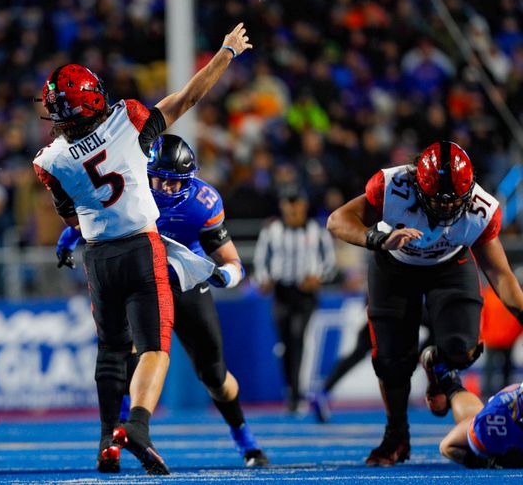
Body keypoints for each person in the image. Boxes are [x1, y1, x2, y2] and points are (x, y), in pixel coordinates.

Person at [33, 23, 252, 474]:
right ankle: (137, 427)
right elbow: (187, 98)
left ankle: (105, 444)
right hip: (141, 249)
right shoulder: (127, 119)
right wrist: (227, 52)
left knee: (112, 350)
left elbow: (71, 216)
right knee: (154, 347)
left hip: (98, 258)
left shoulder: (49, 160)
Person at [57, 134, 268, 467]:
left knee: (215, 376)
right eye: (161, 179)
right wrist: (70, 235)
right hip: (140, 285)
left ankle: (245, 439)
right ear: (146, 172)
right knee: (124, 353)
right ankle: (117, 433)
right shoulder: (129, 187)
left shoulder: (202, 202)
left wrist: (224, 275)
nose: (168, 189)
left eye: (176, 182)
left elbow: (234, 262)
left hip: (183, 285)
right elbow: (92, 214)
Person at [326, 140, 523, 466]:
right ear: (417, 184)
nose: (446, 209)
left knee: (463, 346)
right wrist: (377, 238)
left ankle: (440, 369)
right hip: (393, 262)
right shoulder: (393, 186)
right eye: (438, 200)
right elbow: (337, 220)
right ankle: (396, 436)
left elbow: (502, 277)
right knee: (390, 361)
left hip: (449, 264)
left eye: (453, 202)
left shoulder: (481, 210)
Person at [253, 185, 336, 413]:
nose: (292, 208)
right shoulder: (272, 231)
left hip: (305, 293)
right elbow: (262, 261)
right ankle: (291, 390)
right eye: (288, 203)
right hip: (281, 291)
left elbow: (329, 262)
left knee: (299, 337)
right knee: (285, 343)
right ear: (282, 206)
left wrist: (318, 277)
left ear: (304, 205)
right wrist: (264, 279)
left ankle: (298, 393)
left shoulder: (316, 231)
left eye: (296, 202)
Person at [439, 382, 523, 468]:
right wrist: (486, 462)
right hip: (492, 435)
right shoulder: (489, 422)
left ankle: (452, 387)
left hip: (497, 430)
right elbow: (447, 447)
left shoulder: (512, 396)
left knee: (446, 446)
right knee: (447, 446)